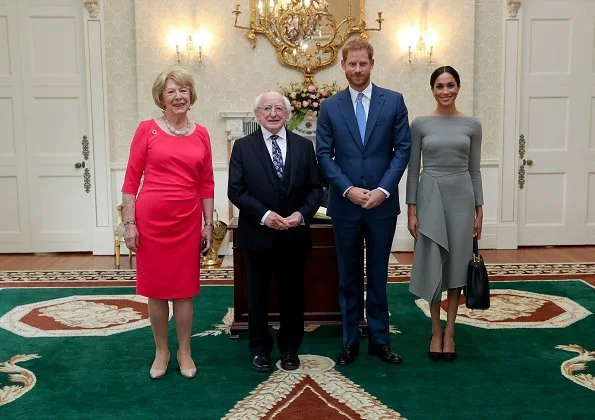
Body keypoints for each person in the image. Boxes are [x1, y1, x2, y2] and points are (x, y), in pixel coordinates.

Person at [316, 38, 411, 365]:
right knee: (348, 275)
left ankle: (380, 340)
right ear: (343, 66)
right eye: (351, 64)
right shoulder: (329, 107)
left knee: (380, 275)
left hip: (382, 206)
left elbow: (403, 150)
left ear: (372, 64)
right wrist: (347, 189)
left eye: (363, 63)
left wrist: (383, 190)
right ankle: (349, 341)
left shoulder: (394, 101)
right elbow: (324, 155)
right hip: (345, 205)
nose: (357, 69)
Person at [121, 66, 214, 379]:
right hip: (151, 222)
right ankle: (162, 350)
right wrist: (129, 223)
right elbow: (131, 180)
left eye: (183, 90)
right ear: (161, 97)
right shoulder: (147, 129)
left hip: (187, 221)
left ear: (191, 95)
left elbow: (207, 182)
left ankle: (184, 350)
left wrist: (207, 224)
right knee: (157, 290)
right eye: (171, 91)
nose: (178, 96)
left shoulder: (201, 132)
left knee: (184, 290)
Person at [228, 91, 323, 373]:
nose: (273, 113)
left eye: (278, 108)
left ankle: (290, 347)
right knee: (257, 296)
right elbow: (236, 190)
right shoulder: (243, 147)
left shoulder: (304, 146)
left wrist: (301, 215)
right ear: (257, 115)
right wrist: (266, 216)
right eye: (266, 108)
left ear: (287, 113)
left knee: (292, 295)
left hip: (294, 235)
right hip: (257, 235)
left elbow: (315, 189)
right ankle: (259, 349)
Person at [406, 65, 483, 361]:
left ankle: (450, 332)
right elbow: (413, 170)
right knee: (433, 264)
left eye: (450, 85)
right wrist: (411, 210)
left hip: (462, 198)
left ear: (458, 87)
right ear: (433, 90)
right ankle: (435, 331)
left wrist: (479, 211)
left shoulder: (472, 124)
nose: (445, 91)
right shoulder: (420, 124)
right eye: (440, 86)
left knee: (456, 268)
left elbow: (475, 170)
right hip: (429, 195)